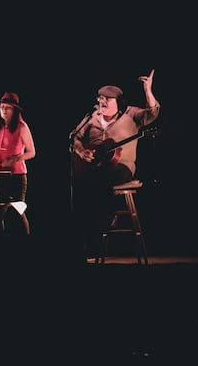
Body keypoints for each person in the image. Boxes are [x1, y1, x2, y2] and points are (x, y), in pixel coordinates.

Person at [70, 69, 160, 260]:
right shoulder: (91, 118)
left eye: (107, 99)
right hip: (94, 170)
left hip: (122, 169)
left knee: (97, 184)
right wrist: (81, 150)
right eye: (100, 98)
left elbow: (152, 113)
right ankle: (82, 239)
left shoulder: (131, 114)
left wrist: (148, 90)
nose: (102, 102)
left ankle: (101, 227)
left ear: (118, 102)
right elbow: (75, 138)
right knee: (79, 188)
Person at [0, 92, 36, 235]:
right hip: (0, 175)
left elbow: (32, 152)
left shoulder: (22, 127)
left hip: (17, 175)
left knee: (18, 211)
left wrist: (14, 159)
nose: (4, 111)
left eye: (8, 108)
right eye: (2, 107)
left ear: (15, 110)